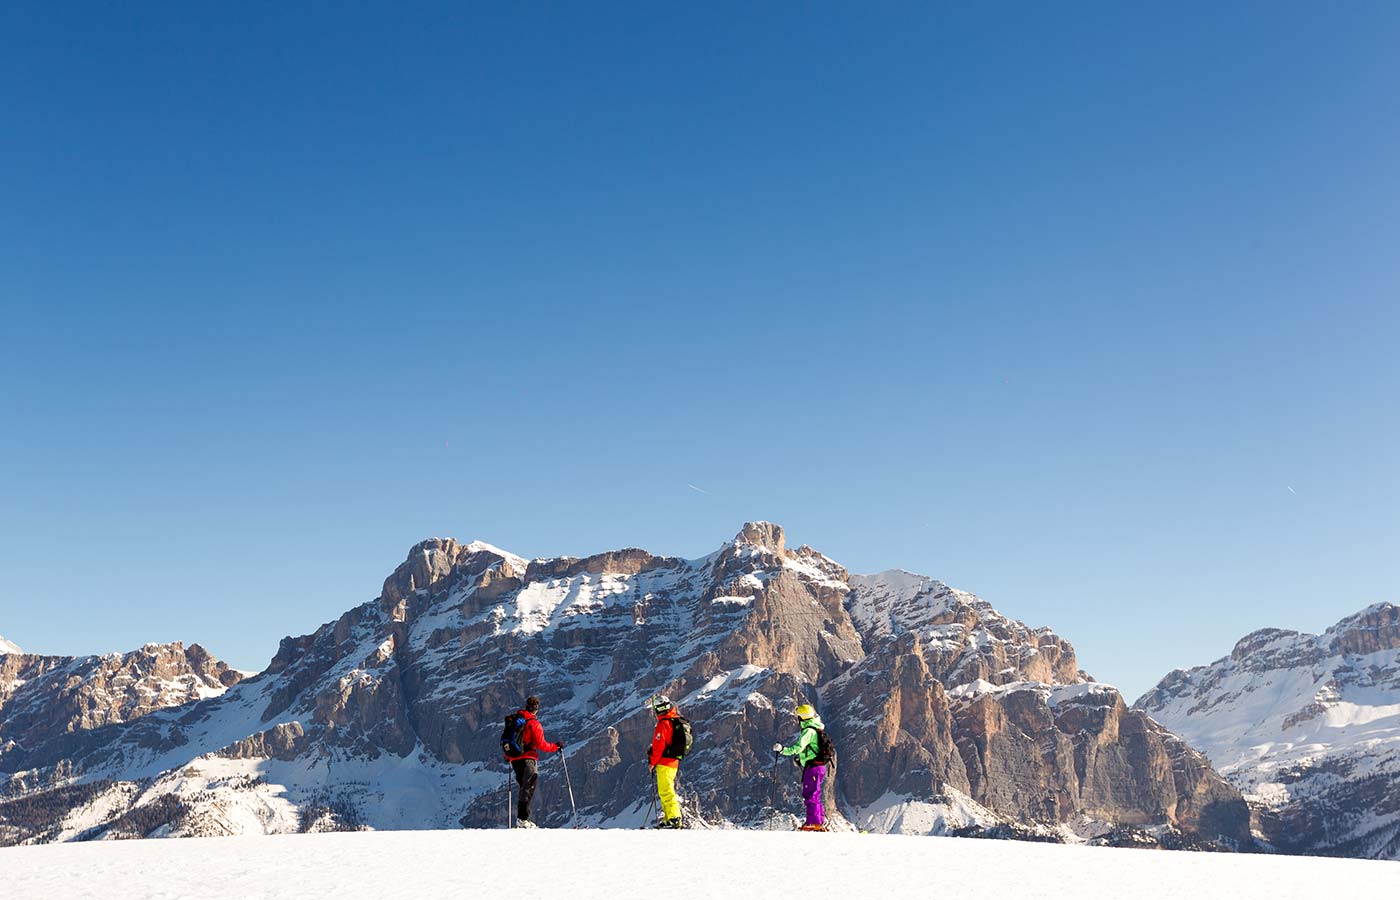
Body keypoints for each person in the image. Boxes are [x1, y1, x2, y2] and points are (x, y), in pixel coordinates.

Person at [502, 695, 563, 828]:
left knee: (524, 788)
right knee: (528, 788)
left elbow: (508, 739)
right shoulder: (533, 723)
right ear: (536, 709)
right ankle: (522, 820)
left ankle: (523, 819)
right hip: (528, 759)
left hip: (514, 760)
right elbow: (541, 744)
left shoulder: (515, 720)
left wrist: (509, 756)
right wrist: (555, 747)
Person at [774, 703, 834, 831]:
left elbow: (798, 748)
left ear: (801, 718)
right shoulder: (816, 729)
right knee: (815, 794)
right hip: (818, 767)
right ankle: (819, 821)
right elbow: (809, 750)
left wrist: (782, 750)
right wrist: (801, 760)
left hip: (813, 767)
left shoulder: (808, 731)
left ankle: (813, 823)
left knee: (810, 794)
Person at [647, 694, 687, 829]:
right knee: (665, 789)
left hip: (664, 762)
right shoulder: (673, 720)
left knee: (666, 791)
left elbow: (658, 747)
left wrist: (652, 761)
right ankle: (669, 818)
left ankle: (674, 818)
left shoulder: (663, 724)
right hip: (673, 762)